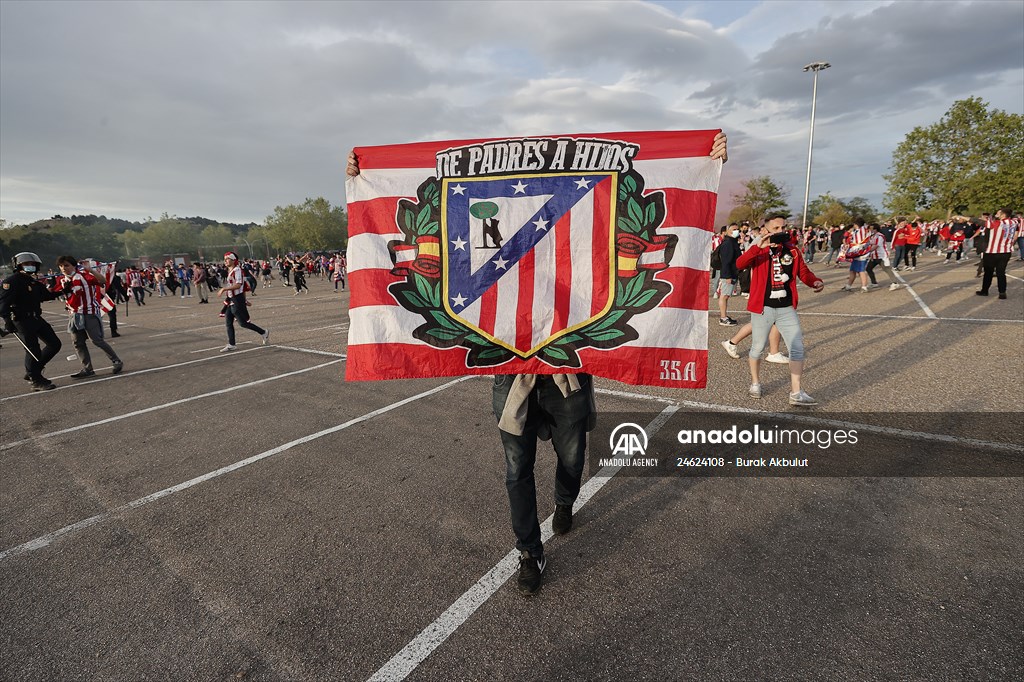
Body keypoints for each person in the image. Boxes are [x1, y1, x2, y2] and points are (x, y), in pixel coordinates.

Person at [349, 131, 729, 595]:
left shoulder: (571, 255)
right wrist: (364, 177)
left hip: (568, 377)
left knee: (571, 460)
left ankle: (566, 501)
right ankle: (529, 550)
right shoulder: (501, 259)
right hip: (512, 383)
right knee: (516, 471)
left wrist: (706, 161)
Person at [735, 213, 824, 406]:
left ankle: (796, 392)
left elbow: (804, 272)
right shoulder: (757, 250)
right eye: (776, 228)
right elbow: (739, 264)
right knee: (757, 348)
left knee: (797, 348)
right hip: (763, 307)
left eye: (783, 227)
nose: (781, 231)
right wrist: (757, 247)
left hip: (786, 308)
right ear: (765, 230)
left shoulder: (791, 250)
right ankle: (755, 382)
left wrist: (815, 282)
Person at [0, 252, 63, 391]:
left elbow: (46, 296)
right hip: (22, 320)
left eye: (33, 264)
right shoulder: (11, 281)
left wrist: (64, 290)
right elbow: (3, 304)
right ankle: (36, 379)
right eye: (27, 264)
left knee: (54, 344)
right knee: (32, 349)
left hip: (35, 318)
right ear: (18, 265)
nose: (30, 266)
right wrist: (7, 321)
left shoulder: (32, 281)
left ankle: (33, 371)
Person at [55, 255, 123, 378]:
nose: (63, 268)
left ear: (73, 266)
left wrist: (90, 270)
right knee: (78, 343)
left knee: (96, 340)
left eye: (66, 265)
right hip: (74, 315)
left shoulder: (83, 276)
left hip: (89, 312)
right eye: (61, 266)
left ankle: (116, 360)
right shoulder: (62, 280)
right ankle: (87, 368)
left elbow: (102, 281)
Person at [216, 251, 270, 352]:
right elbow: (242, 287)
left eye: (227, 259)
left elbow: (239, 285)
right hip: (231, 300)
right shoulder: (230, 270)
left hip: (237, 300)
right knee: (228, 322)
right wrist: (245, 300)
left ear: (233, 260)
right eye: (225, 259)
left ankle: (263, 332)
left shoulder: (237, 270)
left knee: (243, 323)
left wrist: (224, 289)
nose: (225, 261)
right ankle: (232, 344)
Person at [977, 208, 1020, 300]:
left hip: (992, 251)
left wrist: (964, 218)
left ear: (1003, 215)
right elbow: (1016, 232)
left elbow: (980, 222)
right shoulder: (1014, 223)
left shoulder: (997, 223)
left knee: (988, 272)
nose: (996, 214)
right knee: (1001, 272)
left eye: (998, 213)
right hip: (1006, 251)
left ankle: (985, 290)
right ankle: (1002, 292)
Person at [717, 224, 741, 325]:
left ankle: (724, 316)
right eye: (733, 229)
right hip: (728, 274)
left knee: (726, 295)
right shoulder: (728, 243)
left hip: (733, 272)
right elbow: (726, 261)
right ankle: (723, 318)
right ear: (727, 231)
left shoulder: (733, 242)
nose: (736, 231)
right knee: (724, 296)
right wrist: (727, 276)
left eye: (737, 229)